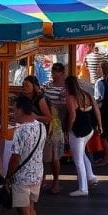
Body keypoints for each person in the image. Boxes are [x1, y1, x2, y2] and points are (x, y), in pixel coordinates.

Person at [8, 98, 46, 215]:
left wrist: (8, 175)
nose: (13, 113)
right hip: (37, 172)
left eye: (14, 110)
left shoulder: (20, 131)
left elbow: (15, 157)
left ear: (20, 110)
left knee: (24, 212)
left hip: (22, 176)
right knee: (30, 208)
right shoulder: (41, 126)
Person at [64, 76, 101, 197]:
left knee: (78, 160)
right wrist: (100, 125)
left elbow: (73, 116)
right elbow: (96, 110)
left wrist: (68, 130)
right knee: (81, 154)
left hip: (78, 130)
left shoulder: (70, 98)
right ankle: (91, 176)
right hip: (88, 128)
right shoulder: (86, 94)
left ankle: (83, 188)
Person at [41, 63, 69, 195]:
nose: (53, 74)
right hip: (45, 123)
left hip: (56, 124)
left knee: (55, 156)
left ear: (62, 73)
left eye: (56, 72)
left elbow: (65, 109)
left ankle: (56, 182)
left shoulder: (64, 90)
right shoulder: (47, 85)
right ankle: (43, 179)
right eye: (53, 71)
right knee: (44, 154)